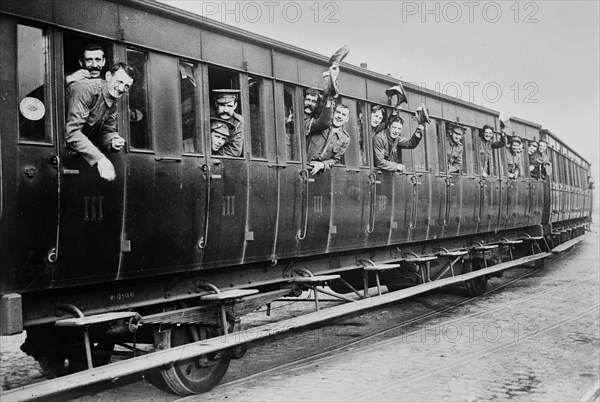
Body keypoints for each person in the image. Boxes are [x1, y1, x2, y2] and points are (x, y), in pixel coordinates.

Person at [65, 62, 135, 181]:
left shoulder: (113, 99)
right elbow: (71, 132)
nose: (122, 89)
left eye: (127, 86)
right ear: (108, 76)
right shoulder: (87, 90)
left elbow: (107, 130)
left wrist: (113, 141)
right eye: (119, 82)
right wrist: (100, 160)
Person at [305, 100, 351, 175]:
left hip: (317, 173)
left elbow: (335, 159)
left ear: (346, 119)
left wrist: (322, 165)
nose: (339, 116)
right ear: (333, 113)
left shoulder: (345, 138)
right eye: (338, 112)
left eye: (343, 114)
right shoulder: (320, 125)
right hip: (303, 166)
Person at [210, 89, 244, 157]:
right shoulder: (207, 114)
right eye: (222, 105)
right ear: (216, 104)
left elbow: (235, 150)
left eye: (229, 106)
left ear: (235, 106)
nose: (225, 110)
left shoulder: (237, 121)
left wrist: (212, 155)